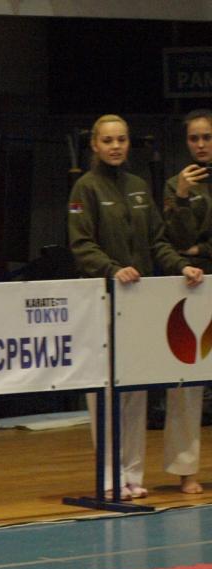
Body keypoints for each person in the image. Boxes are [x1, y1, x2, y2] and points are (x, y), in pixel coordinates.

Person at [68, 114, 204, 499]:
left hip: (138, 303)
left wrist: (181, 266)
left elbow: (158, 242)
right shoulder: (85, 187)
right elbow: (81, 245)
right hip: (102, 298)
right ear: (95, 145)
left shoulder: (139, 187)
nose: (115, 147)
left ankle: (132, 474)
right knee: (107, 391)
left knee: (135, 390)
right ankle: (109, 475)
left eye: (122, 140)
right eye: (108, 140)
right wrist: (112, 269)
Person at [161, 108, 212, 494]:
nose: (201, 144)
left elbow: (197, 244)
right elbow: (175, 242)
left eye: (207, 137)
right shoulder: (173, 185)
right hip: (191, 287)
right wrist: (180, 197)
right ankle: (185, 470)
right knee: (186, 383)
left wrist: (203, 248)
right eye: (194, 138)